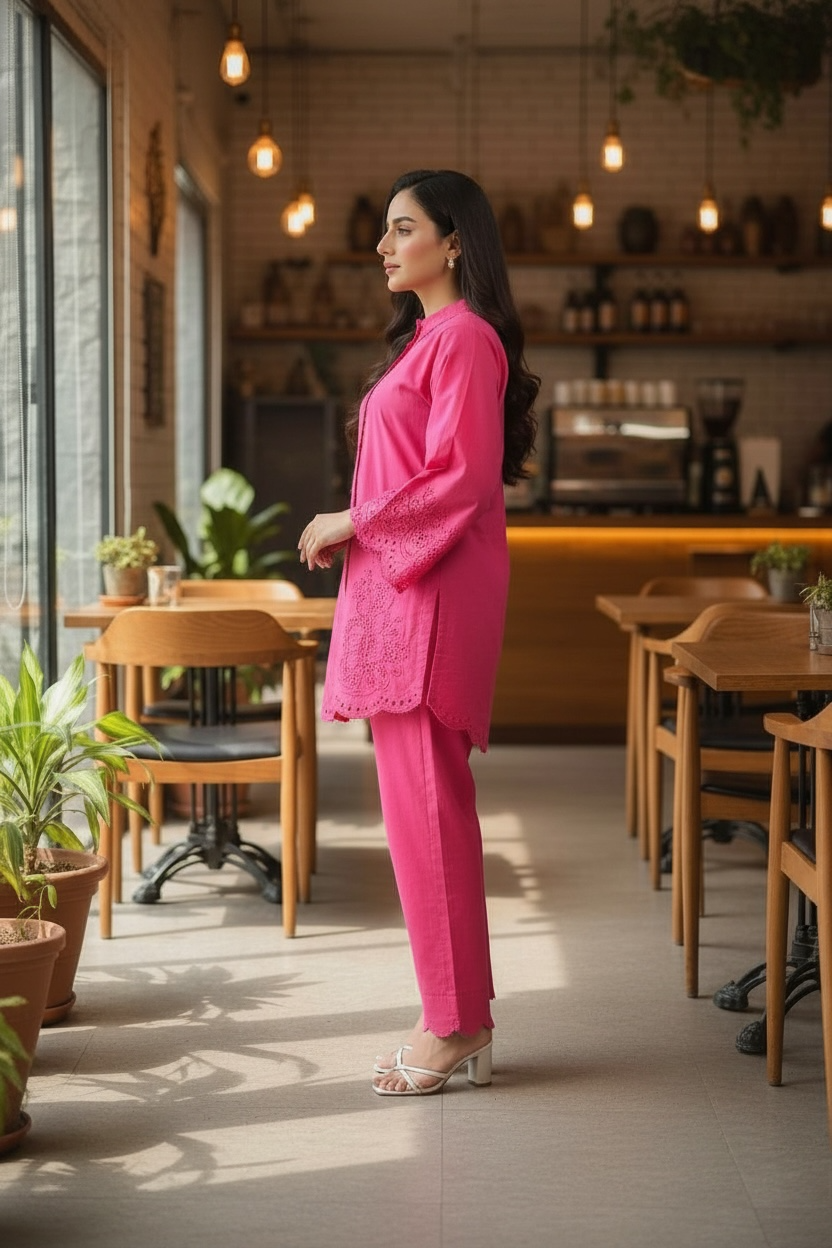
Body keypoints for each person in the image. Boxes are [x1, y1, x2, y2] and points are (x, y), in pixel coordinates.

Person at [298, 169, 539, 1097]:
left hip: (430, 601)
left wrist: (348, 521)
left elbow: (465, 479)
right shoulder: (432, 340)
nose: (384, 246)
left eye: (403, 229)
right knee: (419, 819)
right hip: (406, 598)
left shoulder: (466, 339)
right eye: (384, 231)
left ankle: (457, 1022)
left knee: (429, 818)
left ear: (453, 244)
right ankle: (455, 1012)